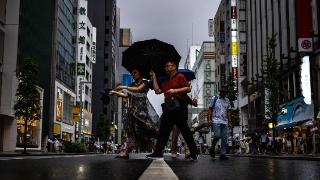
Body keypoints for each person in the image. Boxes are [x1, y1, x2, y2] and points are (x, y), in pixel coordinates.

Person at [146, 60, 198, 161]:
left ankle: (193, 152)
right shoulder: (166, 80)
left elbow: (187, 89)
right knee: (163, 131)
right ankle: (157, 152)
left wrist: (175, 90)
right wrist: (154, 76)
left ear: (174, 67)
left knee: (185, 131)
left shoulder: (180, 76)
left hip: (179, 108)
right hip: (169, 108)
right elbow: (157, 90)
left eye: (167, 66)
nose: (165, 68)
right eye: (165, 66)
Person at [109, 69, 159, 159]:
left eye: (135, 72)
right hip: (132, 111)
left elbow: (138, 89)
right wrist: (115, 92)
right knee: (131, 131)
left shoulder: (145, 82)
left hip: (142, 112)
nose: (133, 75)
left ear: (140, 73)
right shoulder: (132, 84)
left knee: (144, 131)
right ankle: (126, 151)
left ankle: (156, 150)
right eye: (132, 73)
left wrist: (123, 87)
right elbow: (127, 95)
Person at [207, 86, 231, 160]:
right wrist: (209, 119)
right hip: (216, 120)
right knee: (217, 135)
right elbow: (210, 109)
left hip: (224, 121)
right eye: (222, 91)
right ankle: (212, 147)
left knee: (224, 138)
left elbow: (229, 111)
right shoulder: (215, 98)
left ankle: (222, 154)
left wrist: (230, 122)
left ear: (226, 93)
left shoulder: (227, 100)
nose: (223, 93)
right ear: (220, 91)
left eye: (224, 92)